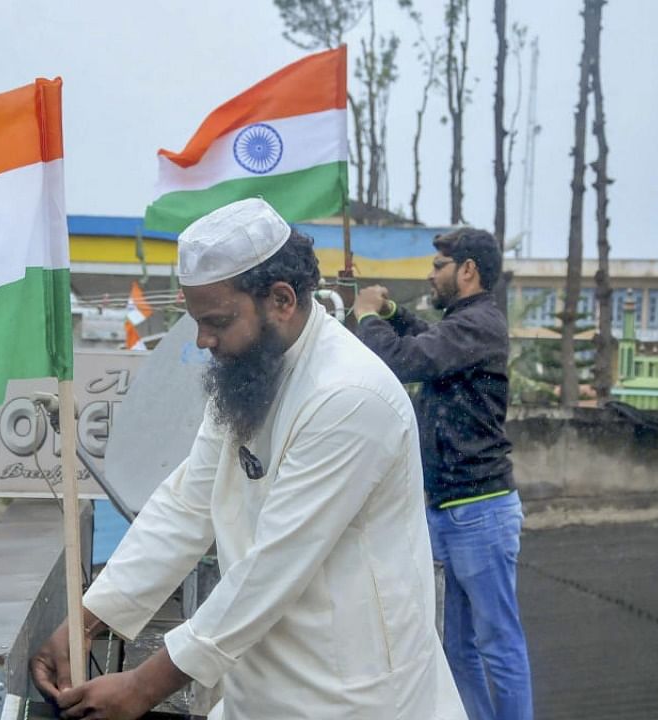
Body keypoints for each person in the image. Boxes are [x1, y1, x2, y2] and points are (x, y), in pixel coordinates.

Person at [31, 198, 465, 720]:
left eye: (216, 321)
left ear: (281, 300)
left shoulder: (350, 396)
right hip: (263, 689)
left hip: (354, 694)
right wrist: (85, 619)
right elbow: (187, 503)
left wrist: (144, 687)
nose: (202, 339)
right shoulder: (251, 374)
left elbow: (272, 567)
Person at [352, 227, 533, 720]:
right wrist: (391, 315)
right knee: (458, 647)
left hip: (480, 511)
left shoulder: (480, 324)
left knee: (497, 643)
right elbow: (428, 340)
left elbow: (405, 359)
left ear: (467, 270)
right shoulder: (465, 324)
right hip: (451, 511)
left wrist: (368, 317)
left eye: (439, 266)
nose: (431, 275)